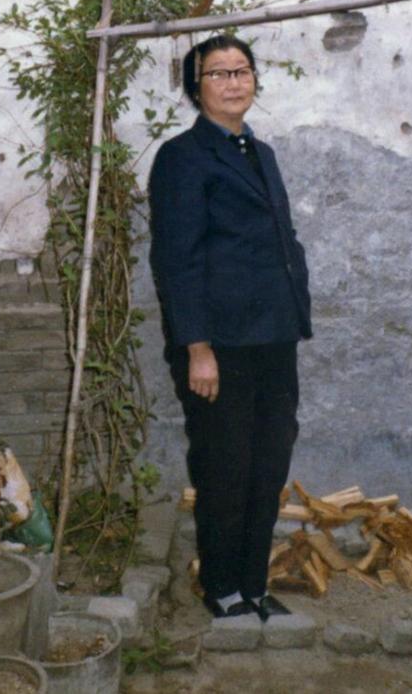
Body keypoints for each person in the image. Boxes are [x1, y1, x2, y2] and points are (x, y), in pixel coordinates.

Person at [148, 34, 312, 620]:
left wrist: (295, 310)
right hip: (218, 346)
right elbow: (177, 260)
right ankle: (222, 587)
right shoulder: (182, 157)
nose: (233, 82)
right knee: (225, 465)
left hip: (273, 337)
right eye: (218, 73)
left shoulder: (260, 152)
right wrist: (197, 347)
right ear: (197, 88)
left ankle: (253, 584)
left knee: (268, 464)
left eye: (241, 70)